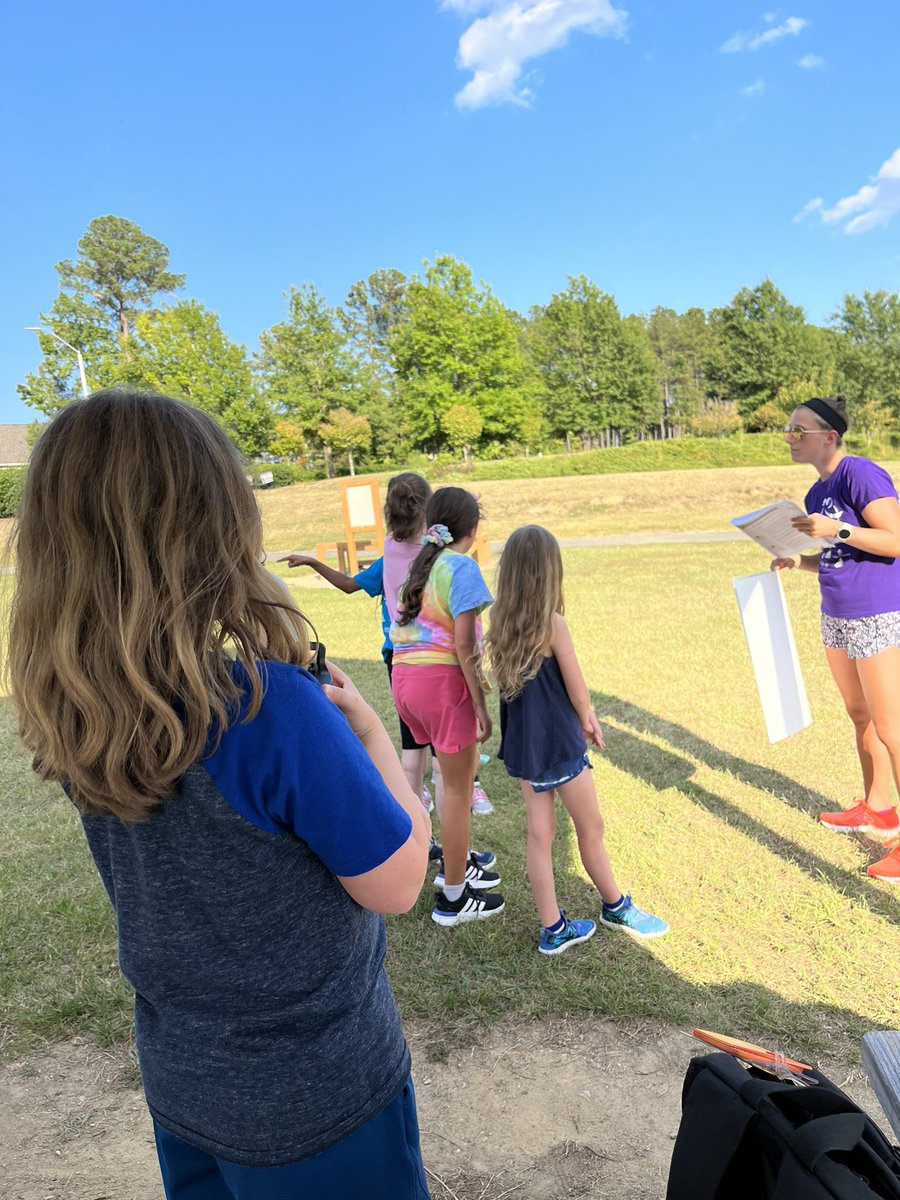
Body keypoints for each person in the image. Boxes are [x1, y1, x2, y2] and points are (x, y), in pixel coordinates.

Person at [9, 390, 433, 1199]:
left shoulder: (77, 711)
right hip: (319, 1104)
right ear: (216, 529)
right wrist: (372, 735)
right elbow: (400, 882)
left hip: (185, 1088)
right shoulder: (268, 710)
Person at [486, 525, 669, 954]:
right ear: (550, 572)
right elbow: (577, 688)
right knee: (591, 828)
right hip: (561, 749)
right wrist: (588, 717)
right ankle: (615, 906)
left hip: (526, 750)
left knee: (539, 835)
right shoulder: (553, 625)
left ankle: (553, 928)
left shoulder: (499, 622)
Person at [770, 395, 900, 883]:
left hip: (877, 612)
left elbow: (895, 538)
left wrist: (839, 528)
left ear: (830, 436)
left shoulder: (860, 474)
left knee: (892, 726)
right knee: (860, 714)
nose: (790, 437)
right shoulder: (814, 493)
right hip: (838, 613)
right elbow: (835, 553)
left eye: (799, 430)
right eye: (788, 429)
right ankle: (879, 809)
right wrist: (797, 561)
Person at [391, 487, 505, 926]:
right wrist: (481, 704)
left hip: (406, 684)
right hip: (441, 686)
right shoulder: (462, 568)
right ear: (473, 531)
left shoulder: (421, 567)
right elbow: (464, 644)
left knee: (443, 782)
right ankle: (455, 897)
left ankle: (453, 869)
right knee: (457, 791)